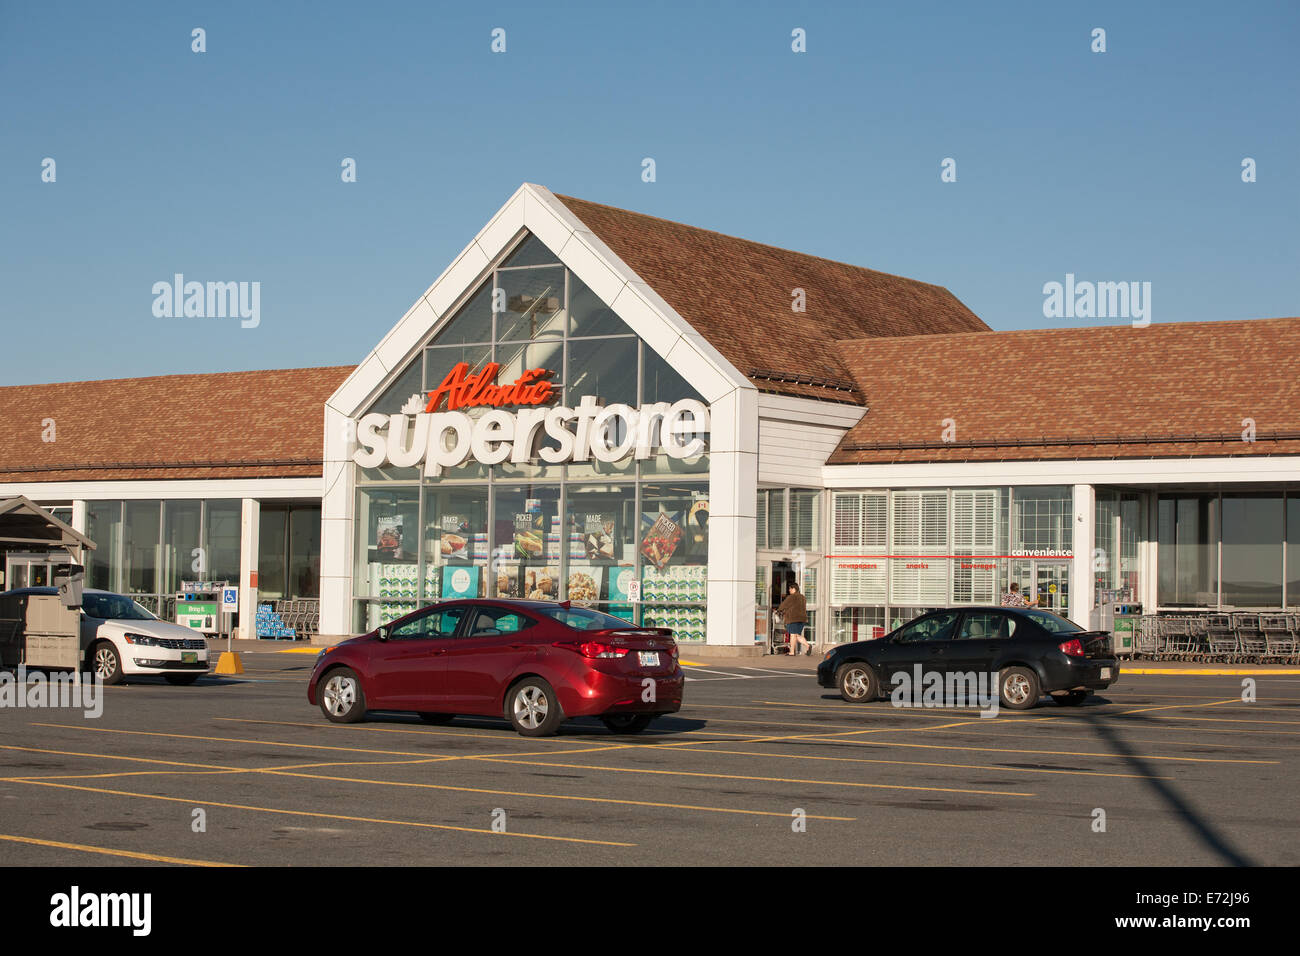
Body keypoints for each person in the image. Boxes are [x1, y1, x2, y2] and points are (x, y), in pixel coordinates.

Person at [777, 582, 811, 655]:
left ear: (794, 589)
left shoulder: (791, 597)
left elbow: (783, 605)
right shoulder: (803, 597)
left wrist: (779, 610)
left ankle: (792, 652)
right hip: (802, 619)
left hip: (793, 618)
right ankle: (808, 646)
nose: (789, 590)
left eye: (790, 588)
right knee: (797, 635)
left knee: (792, 635)